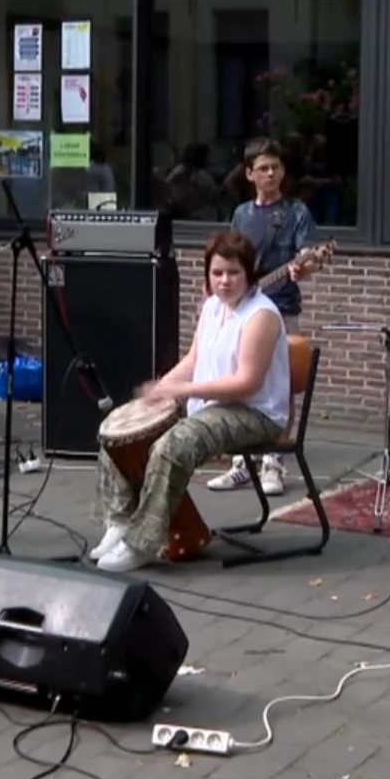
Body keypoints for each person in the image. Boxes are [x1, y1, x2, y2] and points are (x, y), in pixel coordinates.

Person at [90, 230, 290, 574]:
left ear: (249, 274)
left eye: (233, 273)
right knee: (117, 434)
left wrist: (183, 392)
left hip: (256, 413)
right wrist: (162, 389)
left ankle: (142, 543)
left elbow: (246, 383)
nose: (224, 281)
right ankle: (120, 522)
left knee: (173, 445)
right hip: (211, 405)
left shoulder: (262, 316)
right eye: (217, 273)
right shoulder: (213, 306)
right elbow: (195, 358)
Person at [209, 137, 317, 497]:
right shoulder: (241, 214)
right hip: (243, 311)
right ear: (250, 173)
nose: (271, 174)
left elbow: (308, 256)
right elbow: (233, 260)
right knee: (239, 381)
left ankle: (274, 463)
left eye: (277, 168)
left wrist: (306, 266)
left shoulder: (297, 212)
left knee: (281, 388)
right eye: (264, 168)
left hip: (282, 309)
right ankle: (243, 463)